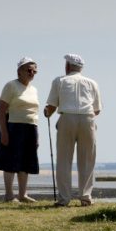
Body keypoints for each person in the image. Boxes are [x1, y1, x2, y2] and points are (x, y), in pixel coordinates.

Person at [43, 54, 102, 207]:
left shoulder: (59, 81)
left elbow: (51, 106)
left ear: (67, 66)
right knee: (87, 160)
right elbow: (97, 109)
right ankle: (85, 197)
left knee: (64, 160)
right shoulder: (92, 83)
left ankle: (64, 199)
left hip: (67, 118)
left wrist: (47, 112)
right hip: (87, 118)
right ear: (81, 68)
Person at [0, 57, 40, 203]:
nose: (32, 73)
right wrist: (4, 132)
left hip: (31, 127)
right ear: (19, 71)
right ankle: (9, 195)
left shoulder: (34, 89)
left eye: (34, 71)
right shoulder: (11, 86)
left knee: (25, 162)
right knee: (10, 161)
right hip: (14, 126)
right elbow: (1, 110)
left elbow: (34, 113)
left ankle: (22, 194)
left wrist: (37, 136)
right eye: (29, 70)